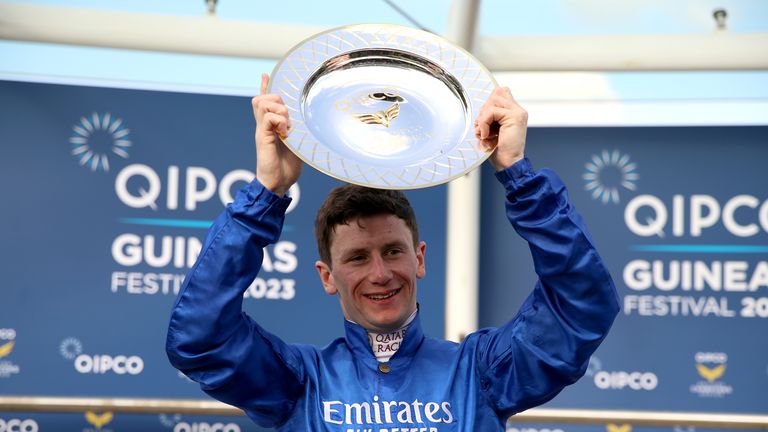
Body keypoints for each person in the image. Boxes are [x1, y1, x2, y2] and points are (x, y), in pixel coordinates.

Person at [166, 73, 620, 431]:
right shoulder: (299, 381)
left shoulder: (480, 373)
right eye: (357, 258)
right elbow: (200, 338)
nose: (380, 273)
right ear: (327, 276)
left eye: (393, 251)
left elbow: (582, 306)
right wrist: (267, 192)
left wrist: (519, 176)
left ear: (419, 258)